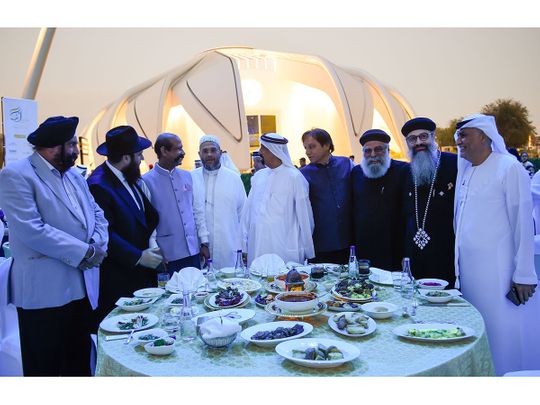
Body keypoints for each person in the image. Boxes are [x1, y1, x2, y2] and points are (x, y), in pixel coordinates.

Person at [0, 116, 108, 376]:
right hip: (44, 292)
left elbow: (97, 214)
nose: (76, 150)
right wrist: (85, 252)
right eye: (71, 145)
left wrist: (97, 243)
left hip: (81, 287)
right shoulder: (16, 175)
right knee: (45, 368)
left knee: (79, 363)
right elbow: (32, 230)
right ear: (50, 147)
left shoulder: (74, 176)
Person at [454, 113, 540, 375]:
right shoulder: (466, 171)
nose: (458, 141)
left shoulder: (508, 167)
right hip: (469, 276)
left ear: (483, 136)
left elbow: (523, 224)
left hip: (499, 275)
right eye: (458, 136)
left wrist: (524, 274)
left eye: (464, 135)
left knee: (501, 336)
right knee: (477, 333)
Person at [87, 125, 162, 327]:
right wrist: (138, 257)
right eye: (139, 155)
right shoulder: (99, 185)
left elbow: (145, 216)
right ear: (126, 158)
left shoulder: (127, 176)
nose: (142, 159)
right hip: (119, 276)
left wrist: (152, 246)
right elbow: (105, 233)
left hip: (141, 274)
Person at [241, 133, 315, 266]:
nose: (260, 152)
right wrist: (243, 244)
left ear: (274, 150)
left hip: (284, 245)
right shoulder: (259, 176)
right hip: (258, 244)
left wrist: (307, 249)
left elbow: (305, 217)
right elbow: (247, 212)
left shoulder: (295, 177)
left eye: (263, 148)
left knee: (283, 277)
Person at [402, 117, 457, 285]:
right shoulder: (407, 172)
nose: (418, 142)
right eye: (412, 139)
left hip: (446, 255)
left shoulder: (454, 164)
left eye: (423, 136)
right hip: (415, 258)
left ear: (433, 137)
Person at [142, 133, 207, 275]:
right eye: (178, 149)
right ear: (164, 151)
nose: (183, 153)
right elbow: (147, 220)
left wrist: (204, 242)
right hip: (167, 255)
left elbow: (196, 210)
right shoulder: (146, 181)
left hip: (193, 250)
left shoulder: (187, 176)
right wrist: (155, 250)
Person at [351, 129, 409, 270]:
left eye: (378, 149)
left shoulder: (403, 171)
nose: (373, 155)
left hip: (394, 247)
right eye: (368, 151)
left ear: (387, 150)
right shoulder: (356, 173)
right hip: (364, 247)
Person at [191, 135, 247, 269]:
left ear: (220, 153)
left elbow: (243, 214)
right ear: (199, 154)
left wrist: (244, 246)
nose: (209, 154)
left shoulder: (233, 178)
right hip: (199, 246)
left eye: (213, 150)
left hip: (228, 244)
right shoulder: (191, 177)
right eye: (205, 151)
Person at [300, 128, 353, 264]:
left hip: (349, 240)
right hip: (320, 243)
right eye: (306, 148)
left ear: (326, 145)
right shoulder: (303, 174)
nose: (307, 152)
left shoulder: (346, 164)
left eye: (312, 147)